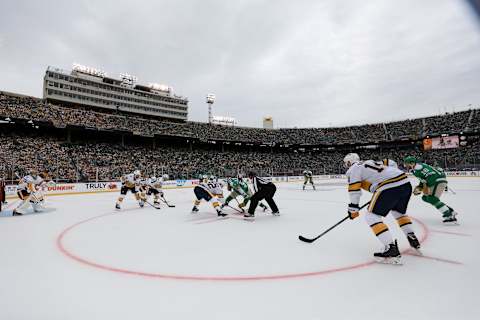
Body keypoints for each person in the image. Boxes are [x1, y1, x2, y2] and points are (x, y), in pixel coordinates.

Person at [344, 153, 421, 264]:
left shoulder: (353, 169)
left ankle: (390, 248)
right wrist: (390, 176)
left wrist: (353, 209)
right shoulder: (369, 161)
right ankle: (411, 236)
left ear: (348, 162)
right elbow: (390, 162)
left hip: (388, 186)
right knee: (398, 213)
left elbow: (354, 189)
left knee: (371, 216)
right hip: (405, 183)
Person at [403, 156, 458, 224]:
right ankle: (449, 210)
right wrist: (420, 187)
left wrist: (425, 187)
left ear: (412, 163)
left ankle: (449, 215)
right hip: (436, 181)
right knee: (425, 198)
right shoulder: (417, 168)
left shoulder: (419, 167)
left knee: (432, 198)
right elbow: (423, 179)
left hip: (437, 181)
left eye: (407, 163)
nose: (406, 165)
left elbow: (431, 176)